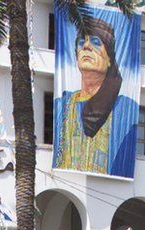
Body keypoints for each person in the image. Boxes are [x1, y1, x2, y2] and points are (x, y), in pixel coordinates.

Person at [53, 17, 138, 178]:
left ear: (109, 60)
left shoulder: (125, 107)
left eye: (96, 42)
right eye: (81, 42)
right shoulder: (62, 104)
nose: (86, 46)